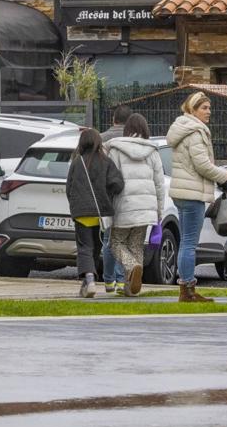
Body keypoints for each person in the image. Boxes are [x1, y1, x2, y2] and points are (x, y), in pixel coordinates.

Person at [167, 92, 227, 303]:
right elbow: (202, 165)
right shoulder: (195, 132)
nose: (208, 112)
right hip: (192, 192)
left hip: (183, 191)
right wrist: (226, 175)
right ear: (193, 110)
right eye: (204, 108)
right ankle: (188, 288)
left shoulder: (182, 128)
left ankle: (185, 289)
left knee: (185, 241)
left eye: (209, 108)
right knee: (189, 242)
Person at [105, 114, 168, 297]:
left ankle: (133, 267)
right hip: (146, 207)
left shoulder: (115, 149)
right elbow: (159, 183)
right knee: (136, 245)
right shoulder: (153, 151)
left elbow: (111, 179)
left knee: (116, 243)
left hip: (123, 204)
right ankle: (131, 289)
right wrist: (158, 211)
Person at [65, 128, 124, 298]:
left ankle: (89, 280)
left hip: (82, 213)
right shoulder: (106, 161)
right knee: (95, 248)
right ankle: (90, 280)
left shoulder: (77, 162)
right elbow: (118, 184)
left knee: (84, 247)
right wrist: (107, 194)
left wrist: (75, 205)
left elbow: (69, 187)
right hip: (101, 214)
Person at [98, 105, 132, 292]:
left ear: (113, 119)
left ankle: (108, 280)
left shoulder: (102, 139)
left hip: (107, 196)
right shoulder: (135, 141)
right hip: (128, 196)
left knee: (108, 239)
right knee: (123, 241)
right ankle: (121, 280)